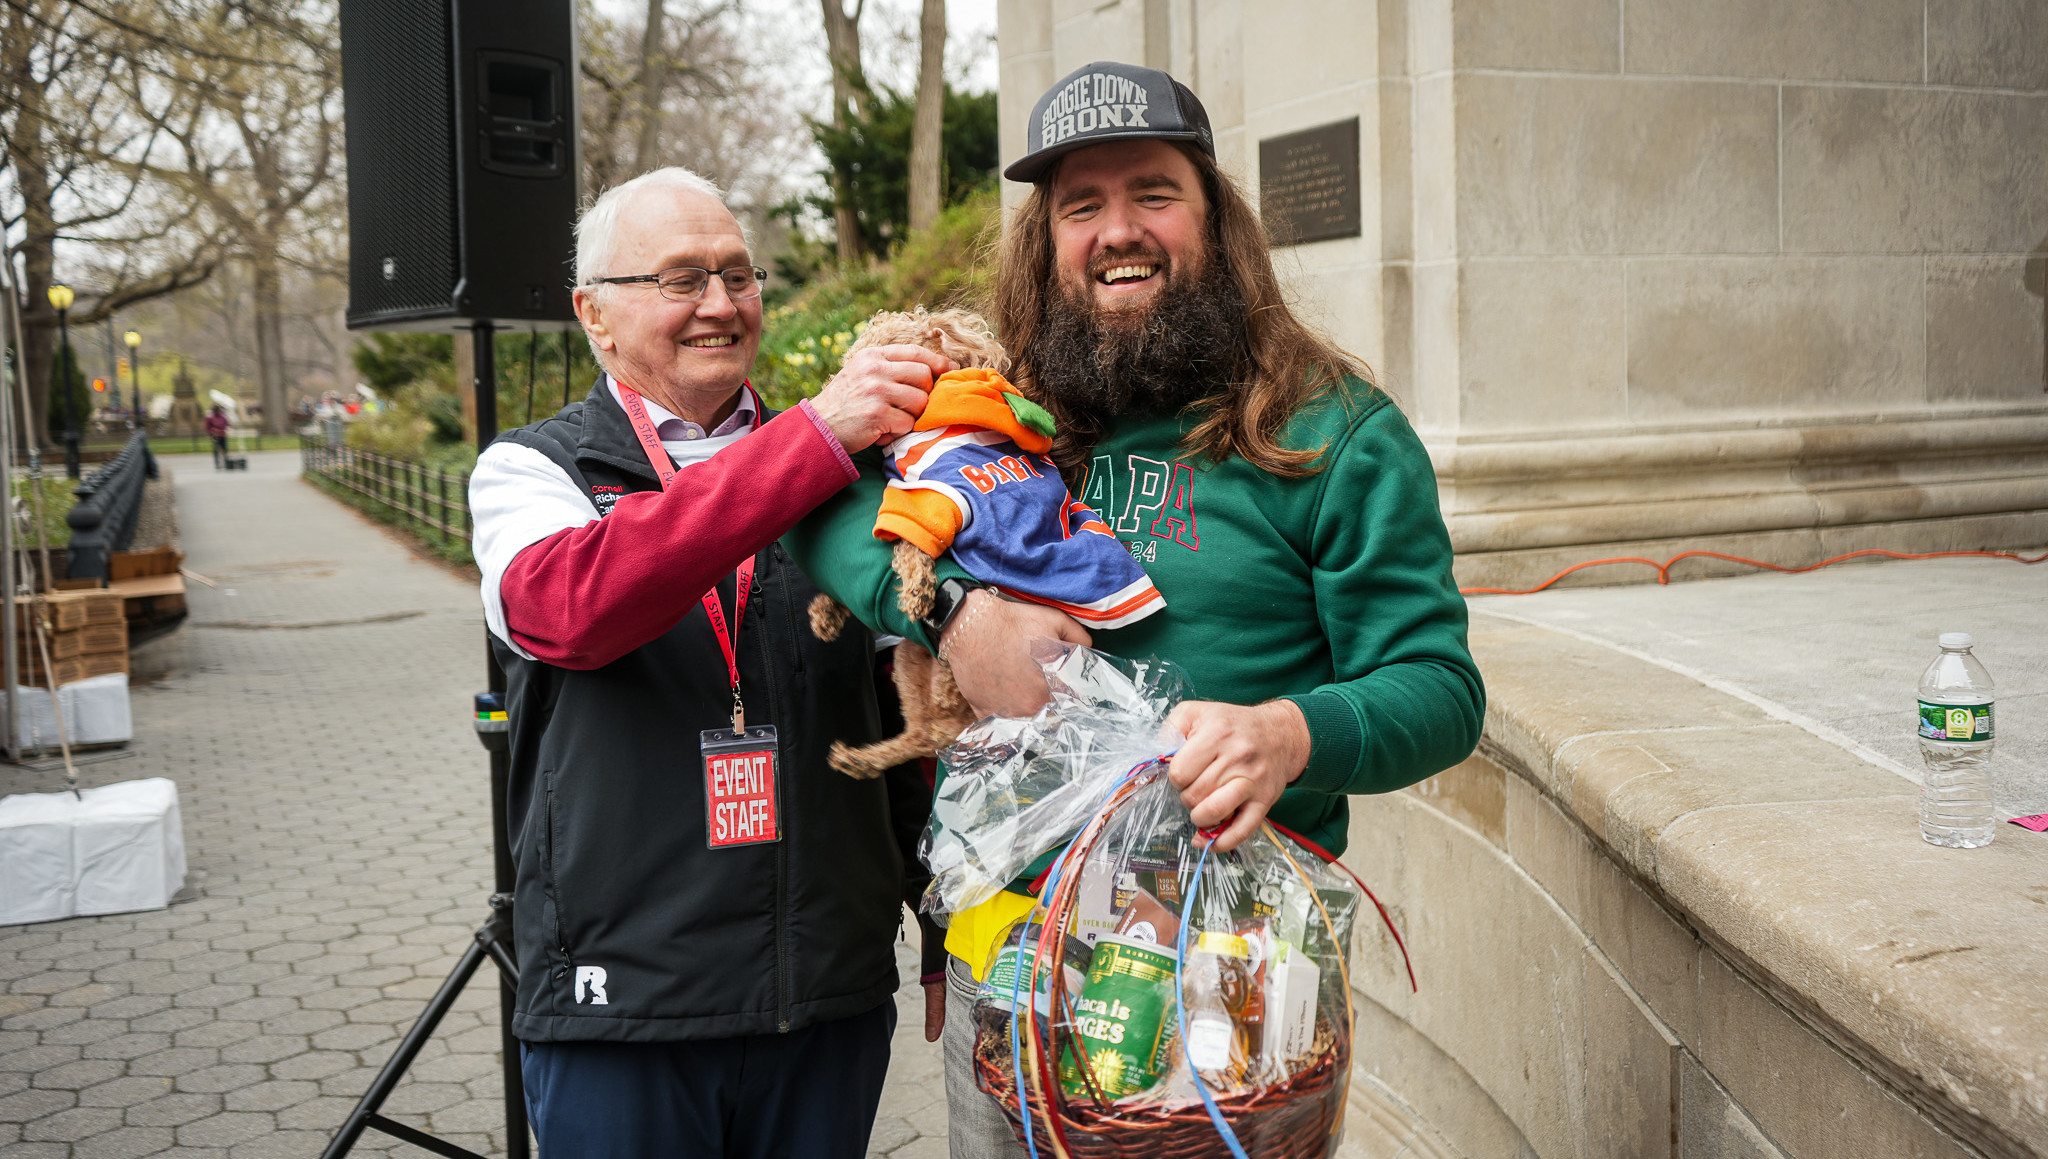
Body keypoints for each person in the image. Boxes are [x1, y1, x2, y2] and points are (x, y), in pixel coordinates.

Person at [783, 61, 1486, 1157]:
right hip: (1001, 974)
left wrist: (1287, 731)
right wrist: (950, 613)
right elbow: (815, 509)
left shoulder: (1335, 433)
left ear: (1214, 218)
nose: (1119, 230)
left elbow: (1440, 692)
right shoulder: (994, 405)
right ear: (1045, 239)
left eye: (1153, 193)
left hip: (1221, 992)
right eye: (1081, 205)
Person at [467, 167, 957, 1159]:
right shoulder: (532, 471)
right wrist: (810, 440)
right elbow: (572, 607)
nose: (722, 305)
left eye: (739, 276)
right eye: (682, 279)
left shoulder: (857, 475)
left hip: (822, 996)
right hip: (626, 1009)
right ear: (594, 314)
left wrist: (935, 913)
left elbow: (900, 718)